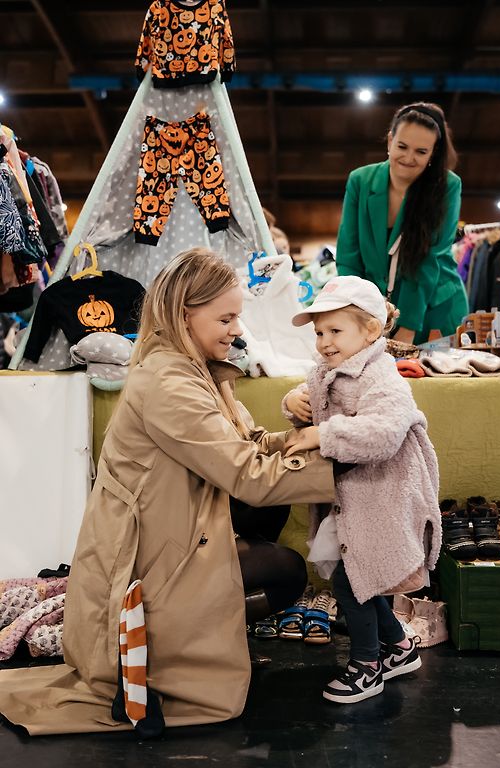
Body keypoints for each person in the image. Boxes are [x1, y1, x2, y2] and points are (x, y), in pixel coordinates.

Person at [0, 248, 337, 737]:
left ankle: (199, 635)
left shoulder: (195, 369)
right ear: (184, 314)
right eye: (226, 318)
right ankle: (166, 653)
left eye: (236, 317)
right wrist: (342, 461)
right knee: (283, 569)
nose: (237, 329)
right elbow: (249, 475)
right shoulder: (168, 381)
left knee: (279, 556)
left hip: (167, 536)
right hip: (143, 558)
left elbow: (246, 443)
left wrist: (314, 439)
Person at [282, 275, 442, 704]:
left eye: (335, 331)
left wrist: (322, 435)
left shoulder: (382, 377)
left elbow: (383, 433)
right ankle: (400, 647)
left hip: (380, 497)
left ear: (370, 331)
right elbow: (314, 396)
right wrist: (293, 402)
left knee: (353, 584)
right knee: (360, 578)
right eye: (319, 333)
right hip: (351, 499)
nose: (324, 342)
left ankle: (367, 666)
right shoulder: (328, 371)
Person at [336, 101, 468, 345]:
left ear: (433, 153)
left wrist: (408, 326)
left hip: (433, 309)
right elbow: (348, 257)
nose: (408, 158)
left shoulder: (447, 186)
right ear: (390, 141)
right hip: (376, 313)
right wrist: (359, 314)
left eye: (421, 151)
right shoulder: (360, 181)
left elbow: (429, 259)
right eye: (402, 146)